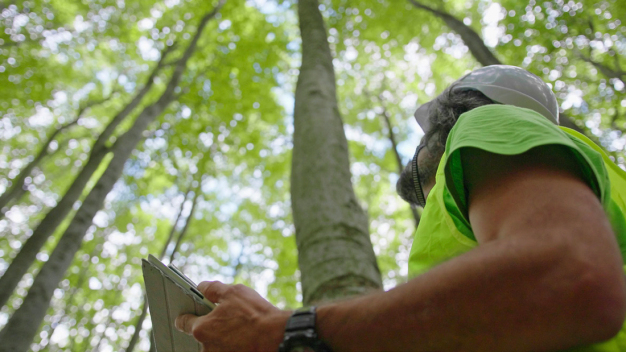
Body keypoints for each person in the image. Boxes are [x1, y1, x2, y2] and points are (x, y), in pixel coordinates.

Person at [175, 65, 626, 351]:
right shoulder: (594, 176)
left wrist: (288, 330)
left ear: (450, 119)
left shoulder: (486, 122)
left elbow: (566, 278)